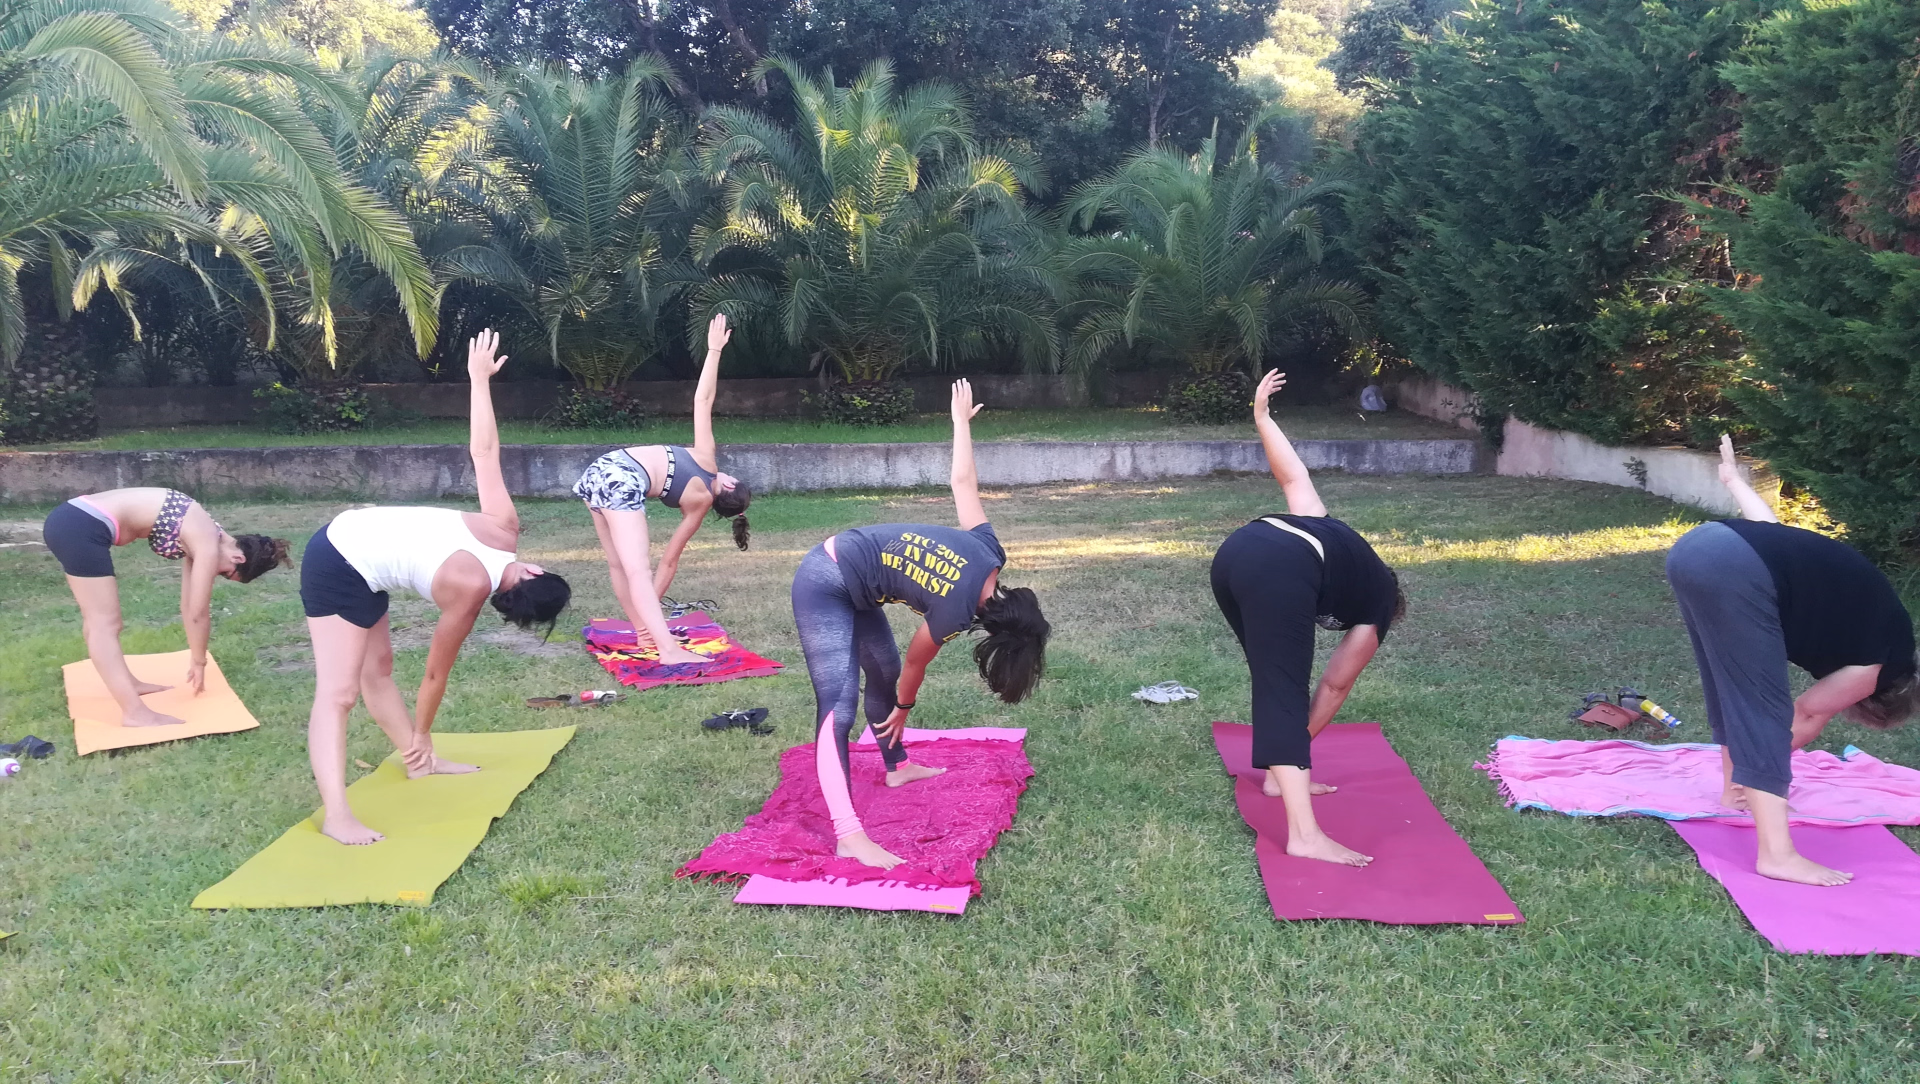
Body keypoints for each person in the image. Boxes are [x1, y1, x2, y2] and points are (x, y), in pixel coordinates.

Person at [299, 329, 572, 845]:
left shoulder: (504, 532)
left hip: (360, 554)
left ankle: (417, 761)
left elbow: (484, 452)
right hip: (337, 559)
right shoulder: (475, 584)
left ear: (533, 572)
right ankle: (337, 814)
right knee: (337, 694)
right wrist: (425, 726)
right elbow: (433, 678)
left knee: (377, 670)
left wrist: (477, 380)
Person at [789, 379, 1050, 869]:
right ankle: (848, 834)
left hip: (858, 584)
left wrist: (959, 426)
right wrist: (905, 708)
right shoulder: (955, 611)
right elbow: (917, 662)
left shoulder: (992, 555)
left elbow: (963, 486)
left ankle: (897, 768)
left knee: (881, 670)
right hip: (824, 578)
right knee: (839, 705)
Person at [1665, 436, 1918, 886]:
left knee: (1731, 688)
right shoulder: (1886, 666)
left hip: (1699, 546)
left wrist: (1734, 484)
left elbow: (1771, 530)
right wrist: (1767, 769)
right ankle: (1777, 856)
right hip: (1734, 568)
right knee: (1763, 708)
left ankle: (1733, 792)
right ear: (1884, 704)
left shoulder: (1877, 628)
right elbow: (1805, 713)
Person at [1209, 369, 1406, 868]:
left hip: (1235, 553)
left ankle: (1281, 771)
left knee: (1274, 680)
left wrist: (1261, 416)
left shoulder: (1332, 534)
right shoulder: (1380, 602)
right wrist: (1300, 736)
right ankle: (1304, 835)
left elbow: (1293, 477)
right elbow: (1336, 687)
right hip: (1278, 566)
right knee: (1282, 689)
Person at [572, 313, 753, 666]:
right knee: (633, 569)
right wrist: (650, 603)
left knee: (623, 565)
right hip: (620, 478)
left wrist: (714, 350)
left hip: (601, 470)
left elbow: (703, 401)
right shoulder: (698, 507)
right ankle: (656, 639)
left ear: (728, 484)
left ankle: (657, 642)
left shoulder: (707, 462)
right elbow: (668, 562)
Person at [43, 488, 290, 727]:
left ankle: (129, 685)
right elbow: (198, 613)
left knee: (99, 622)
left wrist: (196, 657)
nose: (217, 573)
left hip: (74, 520)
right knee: (105, 623)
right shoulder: (206, 542)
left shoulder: (205, 533)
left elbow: (188, 605)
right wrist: (199, 662)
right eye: (226, 573)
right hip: (81, 526)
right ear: (238, 559)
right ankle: (135, 714)